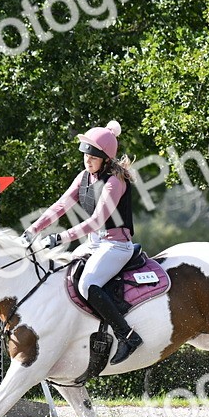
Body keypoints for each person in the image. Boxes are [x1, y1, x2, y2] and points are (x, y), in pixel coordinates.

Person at [19, 121, 143, 365]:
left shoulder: (114, 182)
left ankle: (127, 336)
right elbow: (60, 206)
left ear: (106, 159)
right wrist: (33, 229)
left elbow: (97, 221)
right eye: (86, 154)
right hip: (94, 243)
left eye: (93, 156)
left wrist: (60, 237)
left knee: (87, 284)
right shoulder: (84, 177)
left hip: (116, 246)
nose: (88, 160)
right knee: (61, 275)